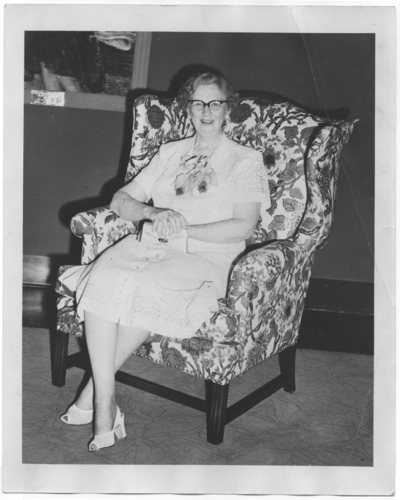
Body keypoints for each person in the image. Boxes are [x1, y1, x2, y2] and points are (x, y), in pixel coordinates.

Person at [58, 72, 271, 451]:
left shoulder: (245, 159)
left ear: (227, 109)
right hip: (154, 245)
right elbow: (121, 201)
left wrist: (184, 229)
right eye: (198, 103)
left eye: (215, 103)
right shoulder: (170, 152)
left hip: (208, 258)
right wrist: (153, 215)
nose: (206, 111)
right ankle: (104, 400)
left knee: (145, 286)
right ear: (187, 108)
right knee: (105, 275)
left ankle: (97, 401)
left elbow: (244, 225)